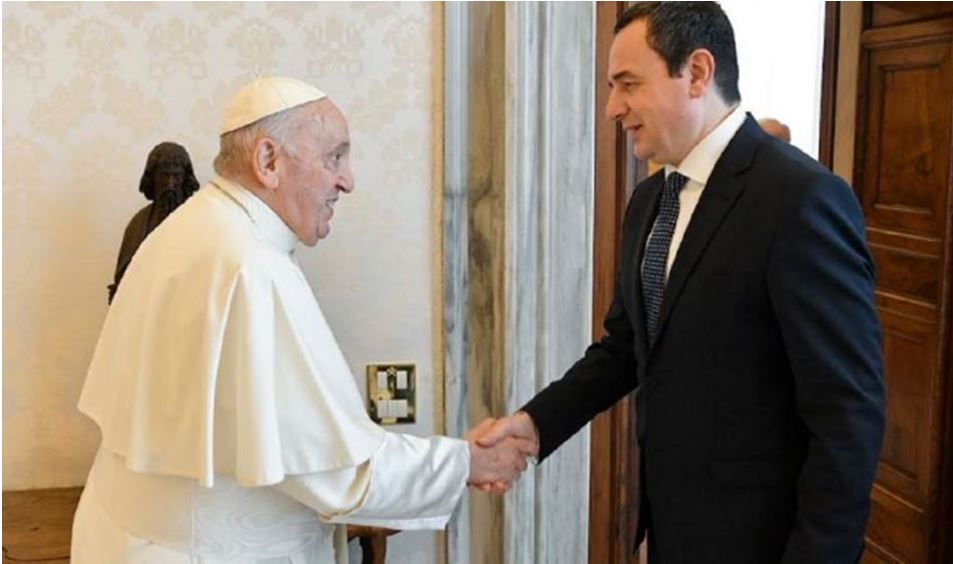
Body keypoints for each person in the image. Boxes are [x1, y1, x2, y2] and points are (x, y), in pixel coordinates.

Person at [475, 3, 884, 563]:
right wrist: (534, 425)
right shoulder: (650, 200)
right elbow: (624, 349)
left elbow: (848, 414)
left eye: (628, 85)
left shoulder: (800, 199)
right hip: (673, 528)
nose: (612, 108)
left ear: (696, 73)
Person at [72, 76, 534, 563]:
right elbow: (337, 470)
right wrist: (465, 462)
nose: (347, 181)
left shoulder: (194, 226)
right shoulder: (251, 266)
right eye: (334, 157)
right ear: (268, 160)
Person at [107, 141, 199, 303]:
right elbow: (123, 281)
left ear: (185, 179)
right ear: (153, 179)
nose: (170, 185)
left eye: (176, 177)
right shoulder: (138, 224)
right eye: (164, 176)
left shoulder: (200, 222)